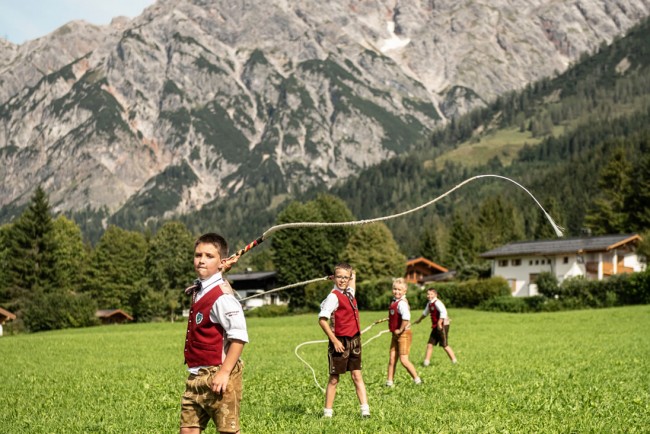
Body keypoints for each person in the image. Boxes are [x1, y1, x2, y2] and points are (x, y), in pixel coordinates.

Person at [180, 233, 247, 434]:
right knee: (188, 430)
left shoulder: (223, 298)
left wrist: (224, 372)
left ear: (220, 261)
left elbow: (239, 337)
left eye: (209, 256)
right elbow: (206, 279)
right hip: (195, 376)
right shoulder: (199, 288)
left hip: (218, 375)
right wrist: (220, 268)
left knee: (228, 431)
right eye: (198, 255)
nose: (201, 260)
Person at [318, 262, 370, 419]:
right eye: (339, 277)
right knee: (334, 378)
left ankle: (365, 411)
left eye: (345, 277)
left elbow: (353, 277)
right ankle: (327, 413)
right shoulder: (333, 297)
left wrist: (348, 275)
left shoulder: (350, 292)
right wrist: (334, 341)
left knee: (357, 376)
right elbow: (322, 320)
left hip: (354, 341)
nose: (342, 280)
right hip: (339, 341)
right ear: (334, 278)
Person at [386, 278, 422, 387]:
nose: (397, 291)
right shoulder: (394, 301)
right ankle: (389, 382)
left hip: (403, 334)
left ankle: (417, 380)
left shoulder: (402, 303)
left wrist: (400, 330)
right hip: (395, 335)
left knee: (403, 359)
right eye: (395, 289)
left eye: (399, 290)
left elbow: (406, 318)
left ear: (404, 291)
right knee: (392, 358)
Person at [413, 287, 457, 365]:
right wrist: (419, 320)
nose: (429, 296)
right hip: (435, 326)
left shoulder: (437, 302)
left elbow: (443, 312)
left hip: (442, 325)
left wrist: (439, 323)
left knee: (444, 345)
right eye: (428, 294)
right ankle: (426, 363)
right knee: (430, 344)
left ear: (435, 295)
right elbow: (425, 313)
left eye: (431, 294)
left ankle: (454, 361)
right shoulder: (429, 304)